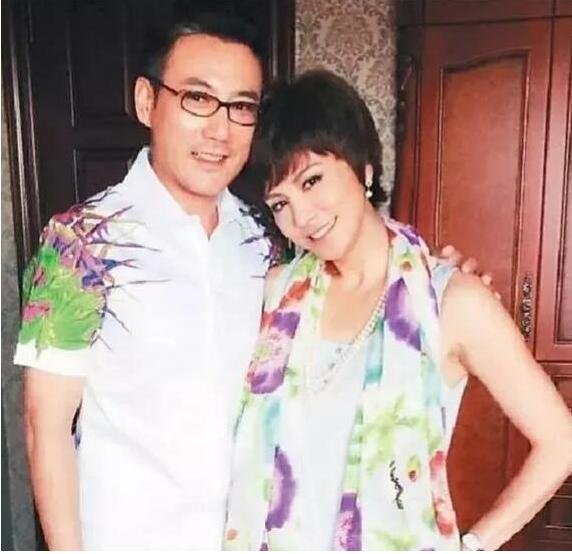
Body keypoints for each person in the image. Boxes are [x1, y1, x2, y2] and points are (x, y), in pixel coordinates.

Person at [15, 12, 483, 551]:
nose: (220, 130)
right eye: (197, 98)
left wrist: (446, 284)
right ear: (147, 101)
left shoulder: (269, 239)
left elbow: (364, 282)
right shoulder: (80, 244)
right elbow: (45, 426)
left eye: (241, 107)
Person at [223, 69, 572, 551]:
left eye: (313, 180)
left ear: (364, 169)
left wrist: (473, 545)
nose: (302, 217)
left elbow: (561, 442)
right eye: (280, 203)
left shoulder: (451, 302)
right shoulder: (277, 294)